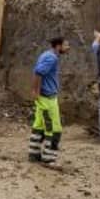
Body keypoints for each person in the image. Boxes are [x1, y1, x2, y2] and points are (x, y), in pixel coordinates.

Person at [29, 36, 69, 165]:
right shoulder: (52, 58)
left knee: (39, 125)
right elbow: (38, 73)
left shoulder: (46, 55)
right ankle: (48, 158)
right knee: (54, 128)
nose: (68, 48)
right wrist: (36, 91)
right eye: (66, 45)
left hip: (43, 98)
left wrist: (36, 93)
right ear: (58, 46)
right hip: (48, 98)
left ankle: (34, 154)